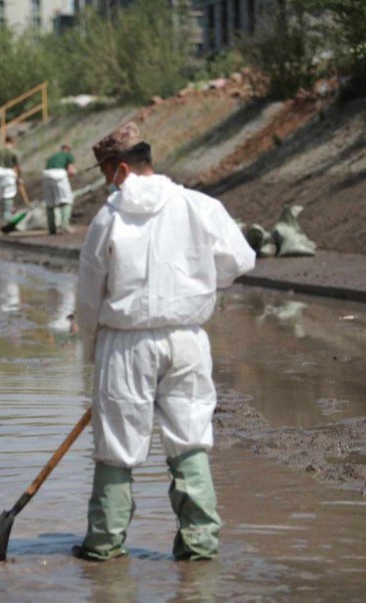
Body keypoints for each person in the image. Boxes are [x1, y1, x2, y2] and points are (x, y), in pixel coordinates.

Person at [74, 122, 255, 562]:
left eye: (105, 177)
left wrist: (92, 348)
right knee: (190, 437)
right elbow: (241, 260)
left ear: (118, 170)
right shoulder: (200, 206)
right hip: (187, 340)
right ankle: (199, 545)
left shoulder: (109, 217)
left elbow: (88, 296)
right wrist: (202, 280)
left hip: (126, 343)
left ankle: (104, 544)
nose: (107, 186)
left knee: (117, 446)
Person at [42, 144, 76, 235]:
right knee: (66, 200)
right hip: (59, 175)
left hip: (46, 176)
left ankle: (51, 229)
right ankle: (64, 225)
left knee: (50, 202)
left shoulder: (53, 157)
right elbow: (71, 171)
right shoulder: (68, 155)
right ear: (68, 150)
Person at [0, 134, 21, 225]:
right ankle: (7, 215)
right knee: (8, 195)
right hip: (9, 173)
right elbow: (17, 166)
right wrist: (19, 177)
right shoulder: (14, 152)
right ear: (12, 142)